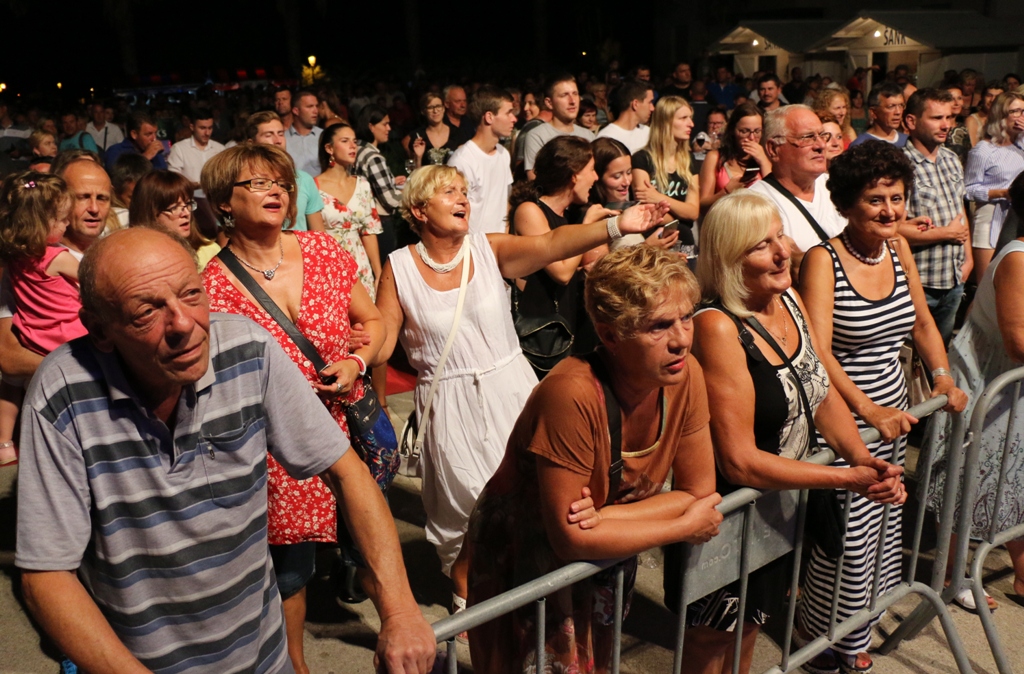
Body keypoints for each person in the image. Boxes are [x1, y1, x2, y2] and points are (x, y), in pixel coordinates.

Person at [15, 225, 435, 674]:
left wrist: (400, 610)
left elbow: (347, 473)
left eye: (191, 294)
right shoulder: (62, 394)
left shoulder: (247, 349)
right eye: (147, 312)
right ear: (100, 330)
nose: (183, 324)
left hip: (264, 657)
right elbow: (46, 573)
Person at [374, 164, 663, 624]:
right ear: (419, 210)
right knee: (469, 504)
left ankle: (530, 592)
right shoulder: (399, 268)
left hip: (512, 390)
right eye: (449, 192)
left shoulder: (487, 249)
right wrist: (360, 354)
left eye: (464, 191)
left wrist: (613, 227)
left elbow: (550, 245)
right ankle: (465, 583)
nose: (462, 198)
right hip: (449, 402)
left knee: (532, 497)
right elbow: (384, 338)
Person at [467, 244, 722, 673]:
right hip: (528, 560)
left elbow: (699, 493)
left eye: (686, 318)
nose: (681, 339)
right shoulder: (571, 392)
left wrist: (602, 519)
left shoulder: (685, 376)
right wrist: (680, 525)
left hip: (607, 553)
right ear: (609, 335)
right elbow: (569, 539)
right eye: (659, 326)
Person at [689, 190, 907, 674]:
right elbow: (739, 461)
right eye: (761, 245)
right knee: (711, 640)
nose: (782, 251)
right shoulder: (718, 326)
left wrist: (862, 458)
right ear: (729, 259)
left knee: (750, 625)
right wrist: (845, 478)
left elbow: (821, 392)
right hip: (728, 513)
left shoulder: (787, 298)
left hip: (779, 502)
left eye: (780, 236)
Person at [200, 144, 397, 674]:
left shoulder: (324, 250)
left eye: (282, 183)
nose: (277, 192)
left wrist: (356, 361)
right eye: (258, 183)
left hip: (345, 430)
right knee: (289, 570)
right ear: (224, 201)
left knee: (367, 546)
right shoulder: (211, 286)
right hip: (273, 447)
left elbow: (374, 322)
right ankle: (294, 666)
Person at [797, 142, 966, 672]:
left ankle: (856, 632)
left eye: (896, 197)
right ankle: (821, 639)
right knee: (845, 542)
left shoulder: (898, 248)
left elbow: (922, 323)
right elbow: (819, 352)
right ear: (848, 204)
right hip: (843, 422)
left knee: (882, 534)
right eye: (876, 199)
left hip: (892, 417)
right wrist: (867, 411)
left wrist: (942, 377)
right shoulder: (823, 260)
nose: (890, 210)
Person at [926, 171, 1024, 611]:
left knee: (1015, 480)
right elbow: (1018, 340)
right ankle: (951, 575)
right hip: (984, 384)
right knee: (968, 483)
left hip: (1011, 391)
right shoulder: (1018, 258)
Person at [0, 172, 84, 466]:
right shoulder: (58, 257)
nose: (67, 223)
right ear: (41, 223)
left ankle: (4, 444)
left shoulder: (15, 257)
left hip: (32, 336)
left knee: (10, 384)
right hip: (69, 336)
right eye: (61, 219)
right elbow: (92, 280)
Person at [900, 88, 973, 346]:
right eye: (936, 118)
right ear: (911, 121)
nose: (946, 125)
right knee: (912, 356)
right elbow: (893, 229)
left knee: (940, 353)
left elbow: (959, 212)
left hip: (953, 279)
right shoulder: (900, 165)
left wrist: (968, 260)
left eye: (949, 118)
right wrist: (946, 233)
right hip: (918, 282)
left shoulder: (951, 159)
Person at [747, 105, 847, 275]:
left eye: (822, 135)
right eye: (808, 137)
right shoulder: (755, 205)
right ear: (773, 149)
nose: (821, 145)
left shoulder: (841, 186)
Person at [316, 122, 384, 298]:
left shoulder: (362, 184)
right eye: (345, 141)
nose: (353, 146)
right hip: (329, 264)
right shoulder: (314, 187)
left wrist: (378, 273)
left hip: (360, 265)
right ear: (329, 148)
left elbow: (369, 231)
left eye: (354, 141)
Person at [632, 95, 701, 259]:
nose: (691, 124)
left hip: (685, 243)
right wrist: (681, 215)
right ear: (665, 122)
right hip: (654, 244)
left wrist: (659, 197)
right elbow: (648, 213)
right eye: (683, 118)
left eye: (690, 118)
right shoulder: (642, 159)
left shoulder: (689, 160)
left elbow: (693, 212)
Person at [965, 91, 1024, 281]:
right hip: (991, 217)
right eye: (1015, 111)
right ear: (1001, 115)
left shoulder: (1022, 146)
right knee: (988, 282)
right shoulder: (984, 150)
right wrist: (1001, 192)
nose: (1021, 116)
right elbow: (968, 189)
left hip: (1017, 215)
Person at [448, 86, 517, 235]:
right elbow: (453, 212)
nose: (514, 119)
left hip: (500, 244)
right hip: (471, 244)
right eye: (508, 113)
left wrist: (504, 236)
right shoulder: (462, 161)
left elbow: (506, 201)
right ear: (489, 117)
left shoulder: (503, 154)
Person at [246, 111, 326, 232]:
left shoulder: (304, 179)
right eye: (268, 135)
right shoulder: (242, 181)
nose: (278, 140)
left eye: (280, 134)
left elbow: (319, 234)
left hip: (298, 243)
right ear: (251, 143)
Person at [128, 169, 221, 268]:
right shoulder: (135, 260)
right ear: (150, 214)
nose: (186, 213)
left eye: (188, 204)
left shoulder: (210, 251)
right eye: (174, 207)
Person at [354, 105, 406, 258]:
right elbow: (390, 199)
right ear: (371, 127)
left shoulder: (357, 150)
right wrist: (409, 193)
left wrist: (390, 181)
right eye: (384, 124)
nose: (389, 128)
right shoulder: (373, 157)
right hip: (379, 223)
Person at [698, 102, 770, 209]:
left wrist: (763, 161)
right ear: (732, 130)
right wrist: (726, 191)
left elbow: (775, 196)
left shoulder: (766, 156)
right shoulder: (715, 157)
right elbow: (703, 204)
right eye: (744, 131)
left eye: (757, 131)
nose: (751, 137)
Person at [523, 74, 596, 180]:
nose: (572, 101)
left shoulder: (589, 136)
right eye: (564, 95)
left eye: (575, 94)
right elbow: (534, 179)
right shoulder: (537, 136)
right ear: (549, 103)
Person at [167, 109, 225, 185]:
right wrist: (193, 186)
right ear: (192, 127)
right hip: (190, 192)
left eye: (210, 128)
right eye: (202, 128)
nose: (207, 133)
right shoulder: (179, 149)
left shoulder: (220, 149)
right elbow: (173, 180)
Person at [596, 79, 655, 153]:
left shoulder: (649, 133)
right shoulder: (607, 138)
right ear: (635, 104)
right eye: (649, 102)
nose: (652, 108)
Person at [404, 93, 458, 167]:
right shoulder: (418, 136)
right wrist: (418, 157)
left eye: (438, 106)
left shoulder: (457, 133)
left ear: (443, 108)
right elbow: (415, 171)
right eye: (430, 107)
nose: (435, 111)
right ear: (423, 111)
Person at [104, 110, 168, 170]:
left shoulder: (156, 154)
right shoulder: (115, 151)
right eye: (148, 134)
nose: (154, 138)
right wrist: (145, 157)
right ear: (134, 134)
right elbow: (118, 175)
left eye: (155, 133)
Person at [850, 83, 908, 148]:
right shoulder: (861, 146)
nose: (898, 112)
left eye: (901, 105)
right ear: (873, 112)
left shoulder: (907, 142)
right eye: (891, 106)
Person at [286, 89, 323, 177]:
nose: (315, 111)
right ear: (296, 111)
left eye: (316, 106)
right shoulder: (283, 139)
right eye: (310, 106)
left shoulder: (324, 136)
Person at [109, 153, 152, 228]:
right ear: (115, 192)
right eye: (133, 198)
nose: (142, 203)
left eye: (146, 195)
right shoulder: (117, 218)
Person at [966, 81, 1005, 147]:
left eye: (997, 97)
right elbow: (972, 149)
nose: (992, 100)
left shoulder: (1006, 119)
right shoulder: (972, 120)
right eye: (989, 95)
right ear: (982, 97)